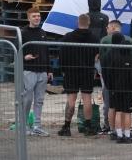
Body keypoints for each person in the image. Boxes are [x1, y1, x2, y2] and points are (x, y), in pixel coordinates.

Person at [58, 14, 98, 137]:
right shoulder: (94, 38)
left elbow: (62, 55)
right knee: (87, 99)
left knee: (71, 99)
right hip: (87, 71)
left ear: (77, 22)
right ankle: (88, 127)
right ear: (89, 22)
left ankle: (67, 126)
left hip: (71, 71)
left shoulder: (68, 37)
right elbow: (97, 56)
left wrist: (63, 69)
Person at [21, 7, 53, 136]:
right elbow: (16, 50)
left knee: (39, 100)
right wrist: (25, 57)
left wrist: (49, 70)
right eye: (34, 16)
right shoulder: (22, 33)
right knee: (27, 99)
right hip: (29, 71)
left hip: (42, 72)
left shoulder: (43, 33)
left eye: (38, 16)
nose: (37, 18)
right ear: (28, 18)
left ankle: (37, 126)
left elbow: (46, 52)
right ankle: (23, 126)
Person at [104, 31, 132, 143]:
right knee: (127, 113)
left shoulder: (111, 56)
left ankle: (117, 133)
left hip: (115, 89)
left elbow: (108, 73)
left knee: (116, 110)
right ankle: (127, 134)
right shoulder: (131, 61)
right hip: (128, 90)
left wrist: (110, 86)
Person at [87, 0, 109, 132]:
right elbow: (104, 37)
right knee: (105, 86)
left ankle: (90, 122)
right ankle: (103, 122)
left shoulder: (86, 16)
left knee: (87, 88)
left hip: (91, 54)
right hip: (99, 55)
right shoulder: (104, 17)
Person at [98, 20, 123, 137]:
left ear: (113, 28)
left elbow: (101, 58)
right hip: (124, 77)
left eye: (107, 27)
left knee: (109, 103)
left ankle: (109, 126)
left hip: (108, 76)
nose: (106, 30)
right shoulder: (129, 40)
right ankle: (123, 127)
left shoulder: (104, 40)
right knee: (122, 104)